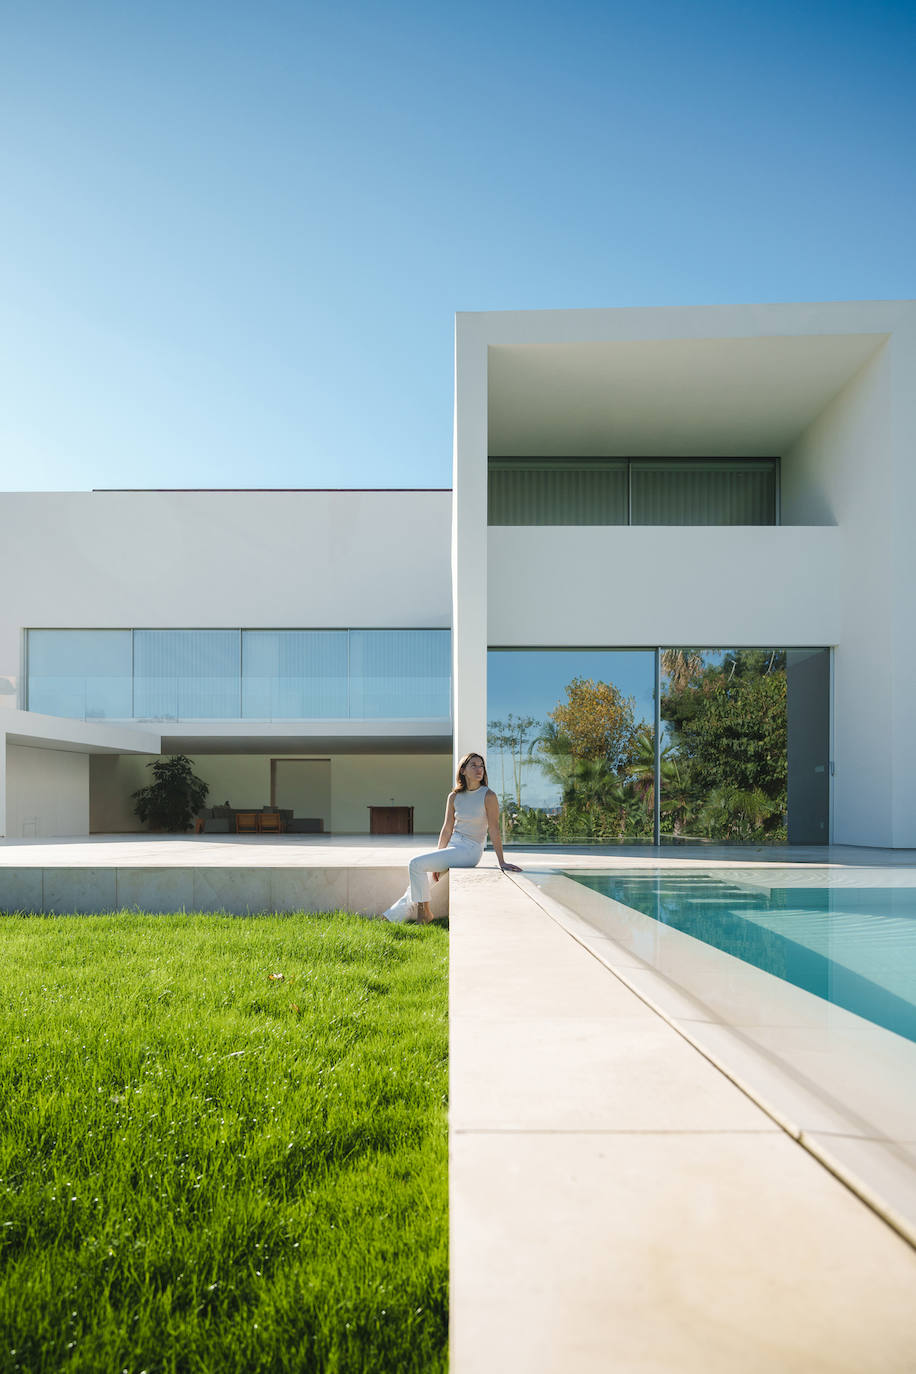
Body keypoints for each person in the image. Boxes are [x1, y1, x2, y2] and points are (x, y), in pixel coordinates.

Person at [383, 751, 522, 923]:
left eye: (481, 766)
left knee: (415, 864)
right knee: (421, 879)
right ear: (463, 770)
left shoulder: (488, 795)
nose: (479, 769)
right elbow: (447, 829)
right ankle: (390, 917)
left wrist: (502, 861)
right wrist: (438, 855)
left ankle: (424, 913)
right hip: (453, 846)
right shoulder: (454, 796)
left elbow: (494, 829)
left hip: (470, 850)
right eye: (474, 765)